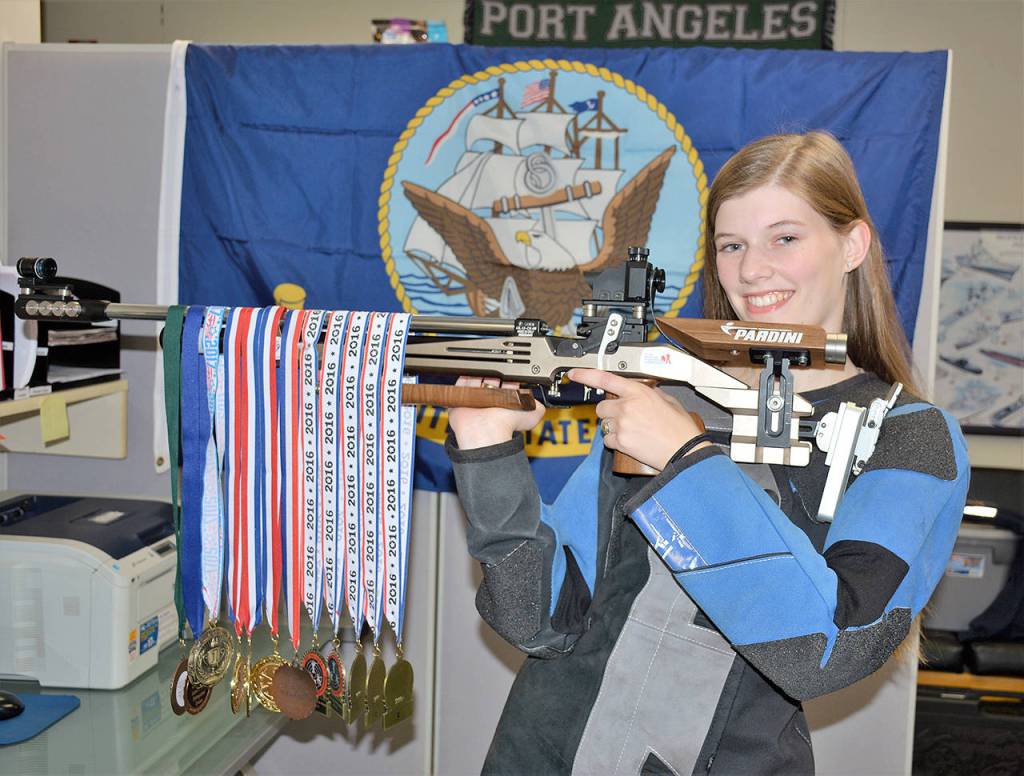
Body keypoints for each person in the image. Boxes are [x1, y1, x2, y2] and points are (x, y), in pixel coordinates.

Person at [445, 131, 969, 775]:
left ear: (853, 244)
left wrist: (685, 461)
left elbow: (823, 652)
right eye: (732, 245)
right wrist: (488, 447)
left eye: (785, 238)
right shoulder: (670, 396)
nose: (752, 270)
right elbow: (539, 621)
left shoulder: (908, 438)